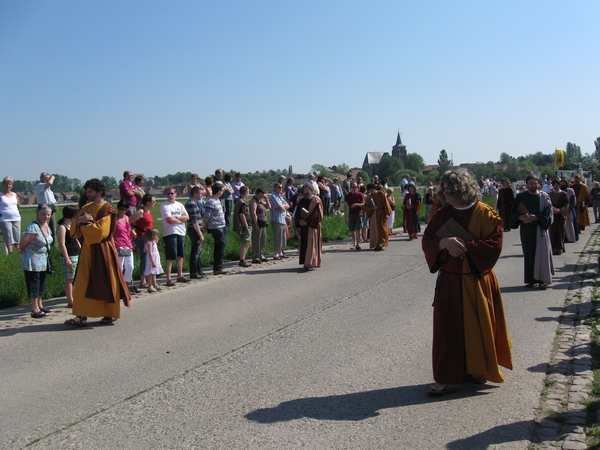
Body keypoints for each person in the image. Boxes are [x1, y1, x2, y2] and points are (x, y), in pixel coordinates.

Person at [422, 169, 512, 395]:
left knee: (478, 328)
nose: (446, 195)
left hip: (476, 281)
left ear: (464, 190)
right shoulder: (442, 215)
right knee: (448, 331)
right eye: (444, 191)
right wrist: (443, 243)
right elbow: (428, 240)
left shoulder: (486, 214)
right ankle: (448, 378)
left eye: (451, 191)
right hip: (450, 282)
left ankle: (478, 370)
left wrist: (464, 246)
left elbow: (495, 244)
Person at [66, 178, 131, 327]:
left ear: (99, 192)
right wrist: (81, 220)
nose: (87, 194)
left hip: (103, 251)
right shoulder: (86, 208)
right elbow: (73, 229)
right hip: (87, 251)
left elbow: (101, 231)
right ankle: (80, 315)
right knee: (82, 282)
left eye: (90, 191)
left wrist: (82, 226)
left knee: (106, 281)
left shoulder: (107, 209)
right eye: (87, 191)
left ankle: (109, 313)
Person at [510, 175, 554, 289]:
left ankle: (542, 280)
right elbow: (513, 213)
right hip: (527, 230)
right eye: (531, 184)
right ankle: (531, 280)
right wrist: (520, 218)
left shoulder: (544, 197)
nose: (533, 186)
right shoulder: (520, 197)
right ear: (526, 184)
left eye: (535, 183)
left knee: (542, 254)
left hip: (540, 229)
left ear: (539, 184)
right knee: (529, 254)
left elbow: (548, 214)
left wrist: (538, 218)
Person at [18, 204, 54, 318]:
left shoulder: (46, 226)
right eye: (43, 214)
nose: (46, 216)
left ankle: (40, 305)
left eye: (48, 214)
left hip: (43, 260)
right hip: (32, 261)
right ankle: (34, 309)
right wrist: (27, 254)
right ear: (37, 213)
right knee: (34, 283)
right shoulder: (33, 227)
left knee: (41, 282)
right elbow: (22, 244)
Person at [160, 186, 190, 286]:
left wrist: (177, 218)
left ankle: (180, 275)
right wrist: (180, 221)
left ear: (175, 194)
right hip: (170, 232)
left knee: (180, 255)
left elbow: (187, 217)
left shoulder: (180, 205)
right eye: (168, 194)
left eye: (171, 193)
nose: (170, 195)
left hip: (181, 232)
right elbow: (169, 219)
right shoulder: (164, 205)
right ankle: (168, 278)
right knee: (170, 256)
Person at [295, 184, 323, 271]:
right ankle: (306, 262)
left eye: (308, 190)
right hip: (304, 228)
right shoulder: (301, 201)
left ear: (311, 190)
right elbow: (297, 214)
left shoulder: (316, 200)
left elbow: (317, 214)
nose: (306, 191)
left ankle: (310, 263)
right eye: (305, 190)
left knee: (312, 245)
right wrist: (299, 221)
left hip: (312, 226)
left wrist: (307, 222)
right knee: (305, 245)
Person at [57, 205, 80, 308]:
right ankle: (70, 300)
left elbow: (76, 239)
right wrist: (66, 258)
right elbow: (62, 244)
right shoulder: (62, 227)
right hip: (70, 255)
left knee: (75, 279)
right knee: (69, 279)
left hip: (77, 254)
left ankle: (75, 297)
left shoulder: (72, 225)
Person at [130, 194, 155, 288]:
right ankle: (142, 280)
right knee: (145, 259)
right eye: (153, 201)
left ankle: (148, 280)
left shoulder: (148, 211)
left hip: (149, 238)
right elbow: (128, 221)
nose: (154, 203)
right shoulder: (141, 211)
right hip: (142, 237)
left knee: (149, 258)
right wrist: (132, 230)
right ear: (148, 202)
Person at [203, 183, 228, 275]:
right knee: (221, 245)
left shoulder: (217, 200)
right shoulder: (210, 201)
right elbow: (207, 215)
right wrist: (205, 225)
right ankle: (218, 267)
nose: (222, 192)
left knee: (219, 246)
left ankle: (217, 267)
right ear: (218, 191)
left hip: (221, 225)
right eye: (222, 190)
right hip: (216, 227)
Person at [114, 200, 137, 293]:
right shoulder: (114, 219)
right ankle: (119, 288)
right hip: (118, 244)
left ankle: (125, 286)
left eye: (123, 209)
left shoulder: (127, 218)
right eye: (119, 209)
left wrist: (132, 231)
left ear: (126, 210)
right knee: (120, 267)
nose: (121, 211)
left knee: (130, 267)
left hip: (127, 244)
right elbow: (111, 233)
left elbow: (128, 229)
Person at [185, 186, 206, 279]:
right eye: (200, 194)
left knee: (198, 251)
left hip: (196, 229)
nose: (201, 195)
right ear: (195, 194)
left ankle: (198, 270)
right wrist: (200, 234)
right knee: (195, 251)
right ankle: (194, 272)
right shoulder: (192, 204)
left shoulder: (193, 203)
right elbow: (194, 221)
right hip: (194, 230)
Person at [364, 184, 392, 251]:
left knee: (383, 229)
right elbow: (366, 206)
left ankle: (382, 243)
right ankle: (378, 244)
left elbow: (386, 204)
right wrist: (372, 208)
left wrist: (387, 214)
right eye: (370, 190)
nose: (371, 191)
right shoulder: (369, 197)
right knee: (376, 229)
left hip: (382, 213)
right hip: (374, 214)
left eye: (372, 189)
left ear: (374, 188)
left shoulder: (381, 194)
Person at [35, 172, 58, 246]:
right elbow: (50, 183)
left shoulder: (49, 190)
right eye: (48, 178)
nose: (50, 180)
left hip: (51, 208)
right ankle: (42, 243)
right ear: (44, 179)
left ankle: (54, 244)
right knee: (43, 226)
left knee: (53, 227)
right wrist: (53, 177)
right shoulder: (40, 186)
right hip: (43, 208)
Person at [548, 180, 570, 256]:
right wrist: (552, 209)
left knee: (560, 232)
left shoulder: (564, 194)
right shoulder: (549, 194)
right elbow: (547, 204)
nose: (556, 186)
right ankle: (552, 249)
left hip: (561, 216)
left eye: (557, 185)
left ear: (560, 186)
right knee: (552, 232)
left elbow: (567, 205)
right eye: (554, 185)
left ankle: (559, 249)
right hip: (552, 216)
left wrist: (560, 210)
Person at [0, 176, 21, 253]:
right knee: (8, 235)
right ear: (3, 185)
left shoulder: (15, 195)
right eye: (6, 184)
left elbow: (18, 205)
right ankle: (11, 252)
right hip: (5, 219)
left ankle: (18, 251)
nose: (8, 186)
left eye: (10, 184)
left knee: (17, 235)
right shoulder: (1, 195)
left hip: (16, 217)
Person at [249, 188, 271, 263]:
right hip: (257, 222)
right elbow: (253, 213)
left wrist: (266, 199)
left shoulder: (260, 200)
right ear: (257, 193)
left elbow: (268, 207)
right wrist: (256, 224)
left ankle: (261, 254)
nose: (262, 196)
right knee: (256, 240)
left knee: (262, 240)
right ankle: (255, 256)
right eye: (261, 195)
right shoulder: (254, 201)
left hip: (263, 222)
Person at [233, 186, 252, 267]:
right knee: (245, 242)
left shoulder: (238, 200)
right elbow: (242, 214)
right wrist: (246, 225)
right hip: (244, 225)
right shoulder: (242, 202)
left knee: (247, 242)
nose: (249, 193)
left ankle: (243, 259)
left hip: (243, 225)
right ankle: (242, 260)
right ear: (246, 192)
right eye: (248, 192)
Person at [270, 182, 289, 260]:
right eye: (279, 187)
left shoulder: (280, 196)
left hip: (282, 219)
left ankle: (280, 252)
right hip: (277, 219)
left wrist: (283, 207)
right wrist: (282, 207)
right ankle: (275, 254)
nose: (281, 189)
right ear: (275, 188)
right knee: (277, 237)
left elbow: (287, 205)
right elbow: (280, 207)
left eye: (281, 187)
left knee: (282, 237)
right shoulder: (273, 196)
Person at [344, 182, 365, 250]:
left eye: (356, 187)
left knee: (358, 229)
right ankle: (354, 242)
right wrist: (345, 215)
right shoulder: (348, 195)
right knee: (352, 229)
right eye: (353, 187)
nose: (355, 188)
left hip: (359, 213)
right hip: (351, 214)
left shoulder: (360, 194)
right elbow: (345, 206)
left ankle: (358, 244)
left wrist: (356, 204)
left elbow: (363, 204)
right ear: (350, 187)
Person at [144, 228, 163, 293]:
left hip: (155, 258)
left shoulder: (153, 242)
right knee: (150, 272)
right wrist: (152, 261)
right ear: (152, 236)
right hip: (151, 259)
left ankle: (155, 284)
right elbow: (149, 252)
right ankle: (150, 285)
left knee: (154, 272)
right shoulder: (149, 243)